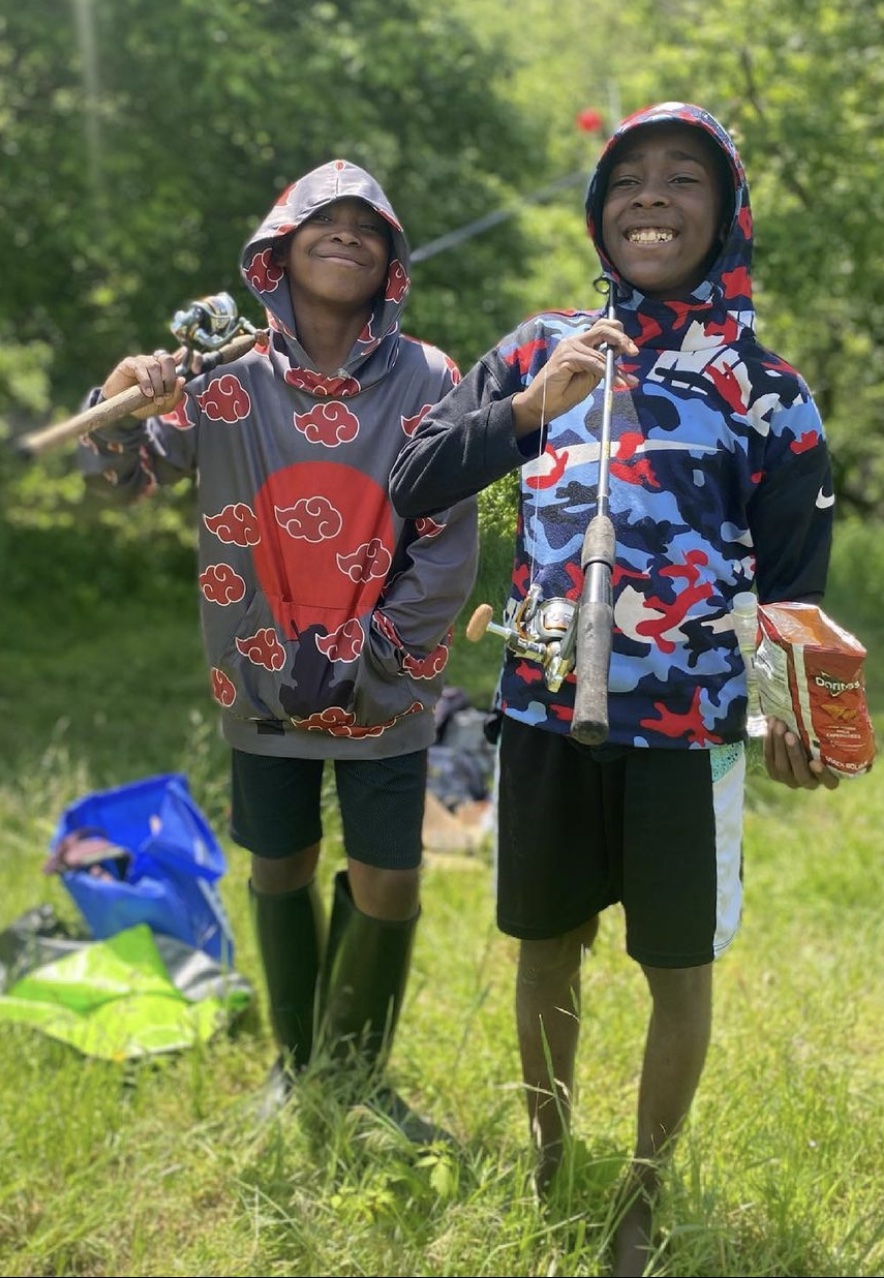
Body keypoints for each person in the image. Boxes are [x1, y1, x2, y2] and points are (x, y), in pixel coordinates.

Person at [389, 102, 839, 1271]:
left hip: (691, 728)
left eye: (681, 178)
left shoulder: (767, 387)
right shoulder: (543, 345)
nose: (650, 195)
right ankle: (549, 1156)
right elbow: (414, 478)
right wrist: (531, 407)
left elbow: (794, 589)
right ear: (597, 211)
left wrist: (794, 714)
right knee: (547, 940)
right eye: (626, 178)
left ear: (725, 213)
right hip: (543, 705)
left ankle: (642, 1190)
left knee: (674, 962)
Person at [77, 159, 478, 1144]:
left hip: (384, 680)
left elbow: (445, 538)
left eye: (365, 224)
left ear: (390, 258)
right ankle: (298, 1070)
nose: (344, 233)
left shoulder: (429, 378)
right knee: (281, 865)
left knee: (390, 880)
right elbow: (114, 478)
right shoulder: (220, 380)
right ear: (277, 249)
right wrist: (124, 400)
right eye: (321, 220)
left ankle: (358, 1074)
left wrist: (376, 660)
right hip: (257, 671)